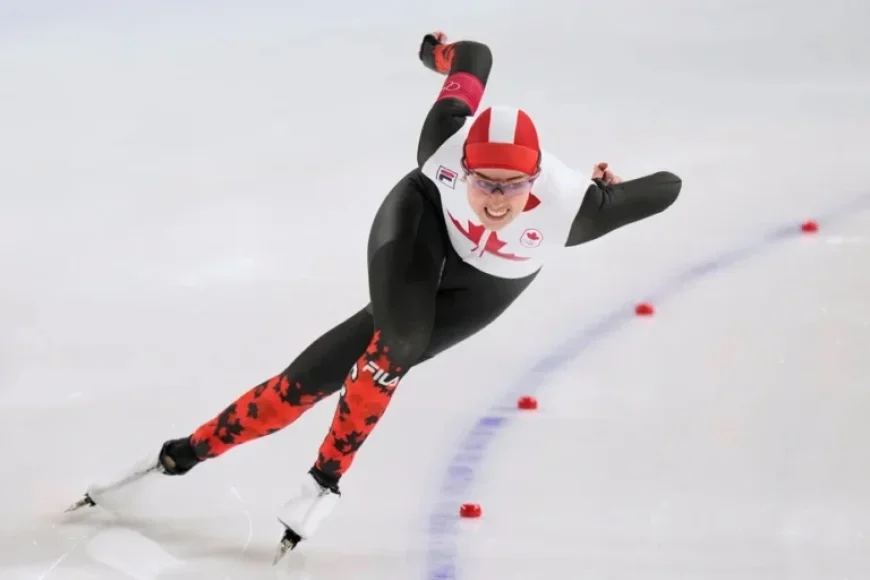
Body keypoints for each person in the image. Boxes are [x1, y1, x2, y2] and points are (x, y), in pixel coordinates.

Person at [67, 31, 682, 562]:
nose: (497, 200)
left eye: (513, 187)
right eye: (483, 183)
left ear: (535, 182)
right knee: (399, 341)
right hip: (420, 223)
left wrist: (612, 188)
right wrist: (438, 54)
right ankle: (256, 471)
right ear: (461, 166)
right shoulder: (441, 146)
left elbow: (669, 186)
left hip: (491, 284)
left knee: (322, 376)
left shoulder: (578, 209)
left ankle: (246, 467)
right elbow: (475, 58)